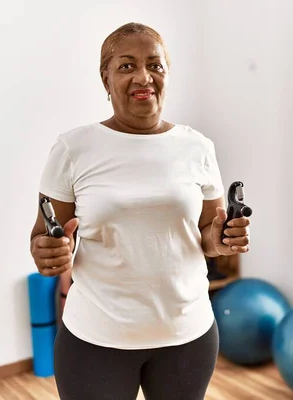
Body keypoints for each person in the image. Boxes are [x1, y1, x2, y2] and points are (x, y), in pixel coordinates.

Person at [29, 22, 250, 400]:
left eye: (155, 65)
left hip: (188, 337)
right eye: (127, 66)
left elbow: (207, 238)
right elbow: (42, 235)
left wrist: (223, 239)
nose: (144, 76)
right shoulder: (73, 148)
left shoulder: (198, 147)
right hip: (96, 341)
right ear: (106, 78)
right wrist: (47, 252)